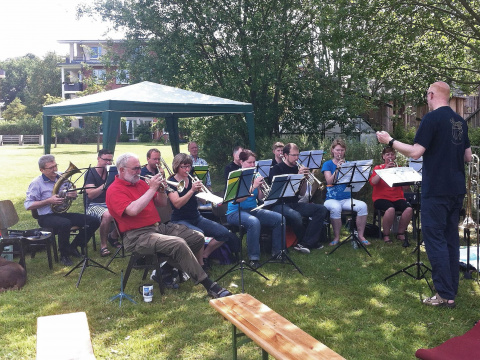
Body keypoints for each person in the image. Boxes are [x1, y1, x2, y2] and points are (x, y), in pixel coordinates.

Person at [377, 81, 471, 308]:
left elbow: (417, 153)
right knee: (450, 240)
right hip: (456, 189)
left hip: (436, 189)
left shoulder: (431, 119)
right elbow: (467, 157)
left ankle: (443, 295)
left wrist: (389, 141)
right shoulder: (459, 121)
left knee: (435, 240)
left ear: (430, 95)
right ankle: (451, 292)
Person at [105, 152, 231, 298]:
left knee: (197, 237)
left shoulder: (139, 183)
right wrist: (152, 188)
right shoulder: (114, 190)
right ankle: (209, 285)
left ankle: (165, 270)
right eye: (135, 169)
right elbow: (132, 210)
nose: (139, 172)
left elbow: (162, 203)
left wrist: (160, 191)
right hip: (136, 236)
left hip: (156, 228)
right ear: (121, 170)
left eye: (140, 168)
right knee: (178, 243)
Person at [167, 153, 240, 268]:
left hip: (196, 217)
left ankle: (205, 256)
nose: (187, 169)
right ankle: (200, 265)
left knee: (224, 233)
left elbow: (204, 202)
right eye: (184, 167)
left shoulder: (191, 179)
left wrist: (202, 191)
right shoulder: (171, 182)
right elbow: (177, 204)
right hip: (180, 220)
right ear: (176, 166)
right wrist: (191, 191)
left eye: (189, 166)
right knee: (199, 235)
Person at [24, 155, 100, 266]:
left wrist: (72, 194)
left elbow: (71, 193)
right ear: (42, 170)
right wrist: (49, 200)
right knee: (65, 223)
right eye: (51, 168)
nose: (55, 169)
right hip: (46, 217)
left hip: (62, 214)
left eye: (55, 166)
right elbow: (28, 205)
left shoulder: (62, 178)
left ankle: (73, 247)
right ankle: (64, 255)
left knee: (94, 221)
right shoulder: (36, 183)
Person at [226, 150, 285, 268]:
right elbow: (238, 199)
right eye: (249, 162)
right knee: (254, 222)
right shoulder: (235, 176)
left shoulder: (256, 175)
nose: (252, 165)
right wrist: (253, 186)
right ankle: (254, 258)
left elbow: (260, 198)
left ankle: (277, 252)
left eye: (254, 162)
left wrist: (262, 188)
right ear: (241, 162)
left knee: (280, 218)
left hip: (252, 209)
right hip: (235, 212)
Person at [269, 143, 329, 253]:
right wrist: (297, 175)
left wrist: (304, 179)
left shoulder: (297, 167)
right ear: (285, 155)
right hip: (278, 204)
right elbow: (277, 192)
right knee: (296, 216)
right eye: (294, 155)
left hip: (294, 203)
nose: (297, 158)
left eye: (298, 155)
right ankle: (307, 242)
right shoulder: (277, 169)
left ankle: (306, 242)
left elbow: (301, 193)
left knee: (321, 210)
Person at [321, 138, 370, 246]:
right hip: (331, 199)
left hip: (346, 198)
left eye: (342, 150)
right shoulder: (327, 164)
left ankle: (361, 236)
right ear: (332, 150)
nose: (340, 153)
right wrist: (338, 169)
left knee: (363, 206)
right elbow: (329, 181)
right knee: (336, 208)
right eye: (338, 150)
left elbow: (356, 180)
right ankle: (337, 237)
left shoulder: (349, 164)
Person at [368, 147, 413, 246]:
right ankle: (386, 235)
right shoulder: (378, 168)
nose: (390, 156)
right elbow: (373, 182)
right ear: (383, 157)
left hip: (397, 198)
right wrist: (385, 170)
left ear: (395, 156)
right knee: (390, 209)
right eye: (387, 154)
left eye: (392, 154)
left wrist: (405, 177)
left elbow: (406, 188)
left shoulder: (399, 168)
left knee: (409, 209)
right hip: (380, 198)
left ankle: (400, 233)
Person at [84, 149, 121, 257]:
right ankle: (103, 245)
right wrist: (105, 185)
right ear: (98, 158)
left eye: (110, 160)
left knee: (129, 210)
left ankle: (113, 236)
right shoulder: (90, 173)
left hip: (110, 203)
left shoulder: (112, 171)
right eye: (105, 160)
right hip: (93, 205)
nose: (108, 163)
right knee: (107, 214)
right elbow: (90, 194)